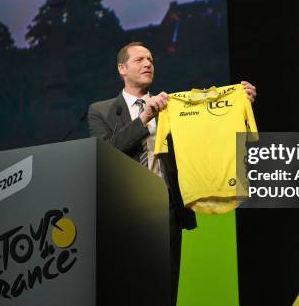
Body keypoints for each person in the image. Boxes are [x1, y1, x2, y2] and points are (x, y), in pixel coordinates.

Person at [88, 42, 256, 305]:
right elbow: (106, 151)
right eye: (140, 60)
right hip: (125, 212)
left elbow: (205, 132)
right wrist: (143, 118)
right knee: (128, 288)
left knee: (166, 287)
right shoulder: (101, 110)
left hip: (165, 208)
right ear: (122, 68)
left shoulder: (172, 108)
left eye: (151, 60)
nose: (148, 64)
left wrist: (237, 103)